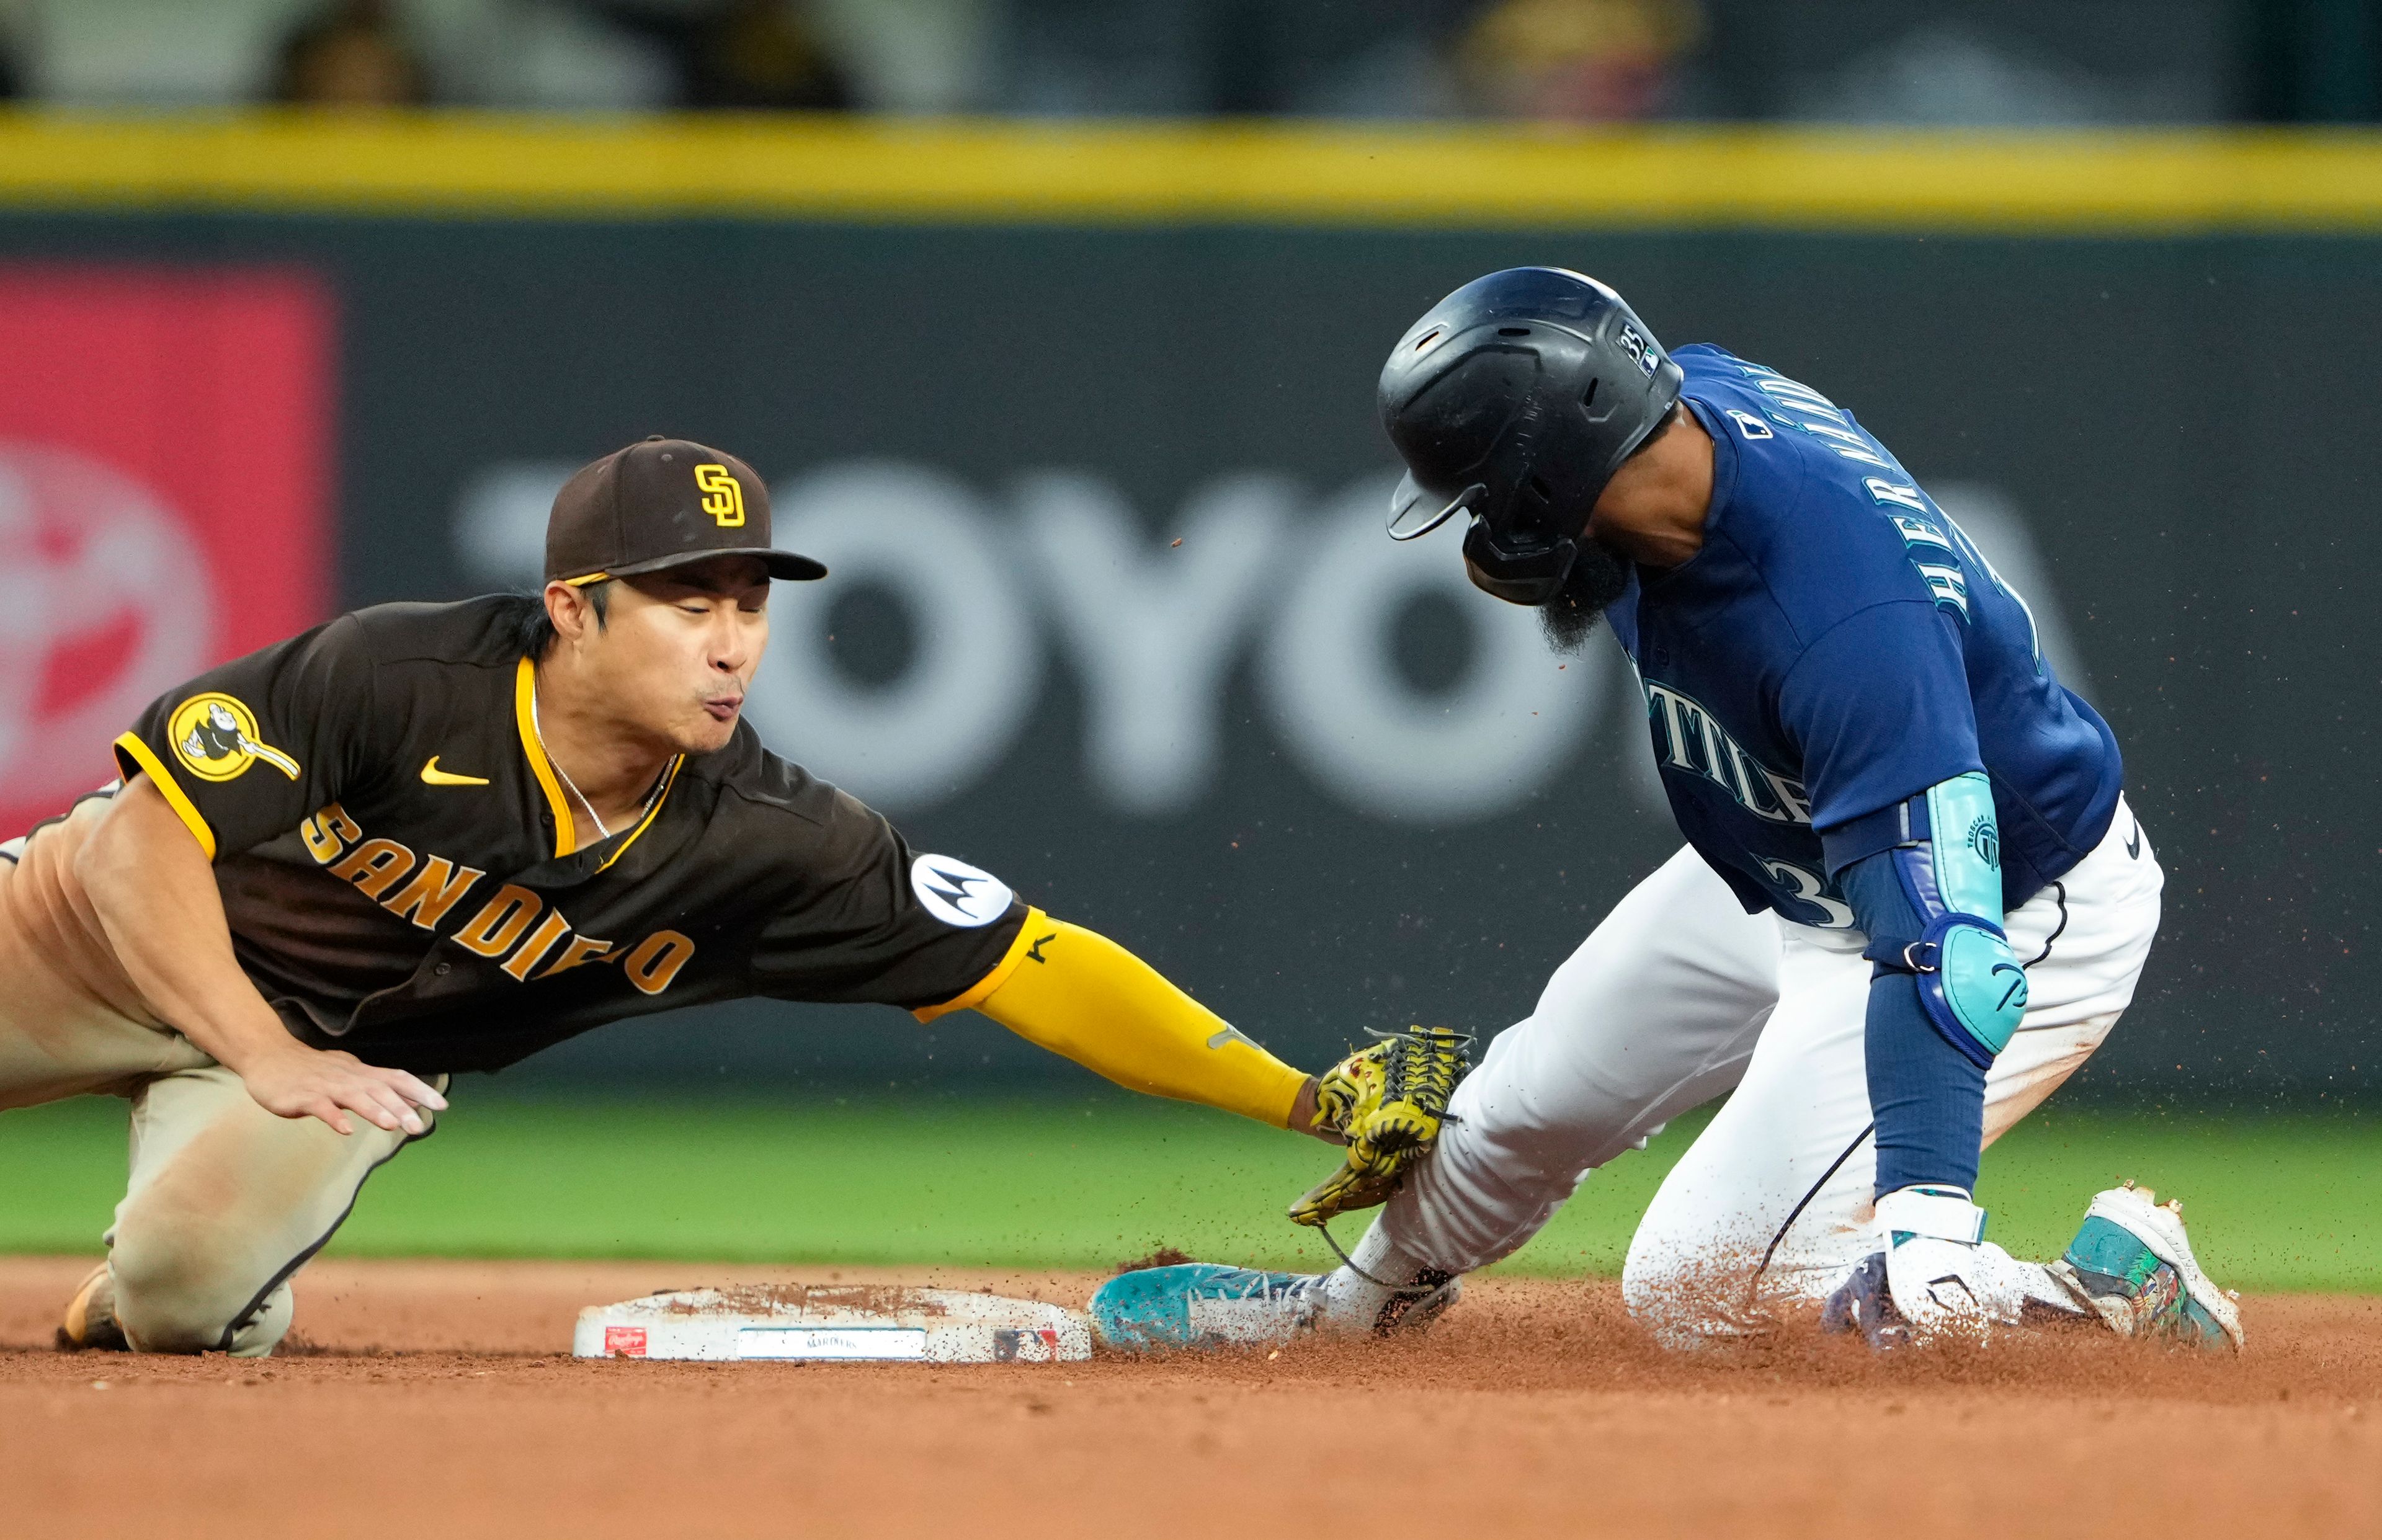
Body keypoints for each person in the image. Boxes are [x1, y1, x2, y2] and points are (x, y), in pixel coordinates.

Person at [12, 435, 1425, 1357]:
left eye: (749, 603)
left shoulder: (766, 841)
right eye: (687, 604)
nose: (731, 643)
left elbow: (1035, 962)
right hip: (93, 938)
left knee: (188, 1300)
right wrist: (262, 1049)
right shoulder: (399, 676)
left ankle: (125, 1297)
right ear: (574, 607)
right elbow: (145, 844)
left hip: (334, 1068)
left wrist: (1306, 1100)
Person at [1090, 268, 2241, 1354]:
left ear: (1554, 469)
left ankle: (2102, 1297)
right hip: (1806, 853)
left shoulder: (1843, 623)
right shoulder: (1676, 425)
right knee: (1526, 1100)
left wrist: (1926, 1220)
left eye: (1486, 498)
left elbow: (1942, 948)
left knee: (1703, 1290)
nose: (1482, 537)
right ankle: (1351, 1314)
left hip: (2006, 904)